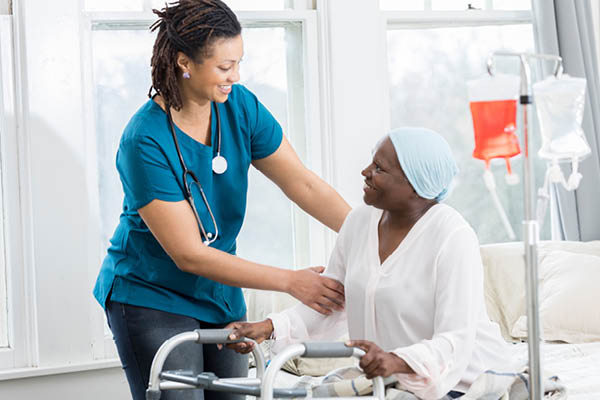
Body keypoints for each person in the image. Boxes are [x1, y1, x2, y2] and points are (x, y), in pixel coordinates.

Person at [92, 1, 350, 399]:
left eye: (239, 64)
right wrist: (291, 282)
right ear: (184, 63)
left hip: (219, 292)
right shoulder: (144, 139)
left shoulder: (240, 107)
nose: (236, 77)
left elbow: (304, 185)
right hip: (151, 294)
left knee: (234, 394)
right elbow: (189, 255)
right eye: (225, 68)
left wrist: (366, 234)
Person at [226, 127, 514, 399]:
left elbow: (455, 339)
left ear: (415, 186)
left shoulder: (452, 236)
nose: (365, 172)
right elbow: (331, 299)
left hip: (463, 380)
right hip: (389, 377)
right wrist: (269, 327)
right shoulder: (359, 222)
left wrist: (398, 360)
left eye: (379, 169)